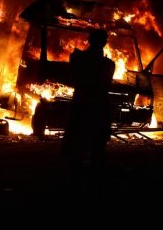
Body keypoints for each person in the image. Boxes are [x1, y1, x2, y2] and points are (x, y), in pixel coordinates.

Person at [63, 28, 115, 200]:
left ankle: (74, 190)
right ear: (104, 42)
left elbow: (75, 79)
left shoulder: (77, 58)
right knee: (97, 151)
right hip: (98, 108)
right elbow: (104, 84)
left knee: (77, 150)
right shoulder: (108, 64)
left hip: (82, 106)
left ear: (89, 40)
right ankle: (93, 192)